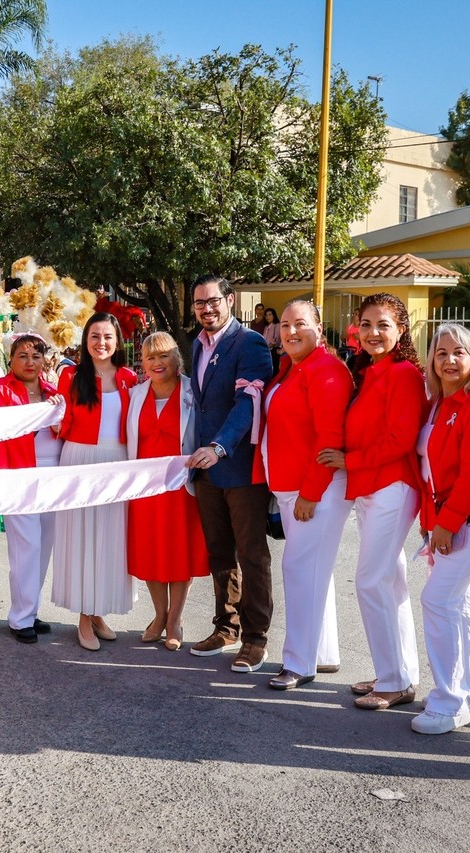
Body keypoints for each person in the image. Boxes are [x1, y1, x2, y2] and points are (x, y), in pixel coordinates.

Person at [318, 293, 425, 711]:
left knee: (369, 580)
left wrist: (350, 460)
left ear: (401, 329)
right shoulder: (372, 372)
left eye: (383, 324)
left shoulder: (402, 375)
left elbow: (401, 439)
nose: (373, 332)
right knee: (389, 581)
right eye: (366, 324)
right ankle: (397, 673)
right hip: (371, 488)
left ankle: (395, 679)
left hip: (392, 487)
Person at [411, 323, 470, 734]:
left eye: (459, 353)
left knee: (436, 601)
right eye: (441, 352)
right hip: (447, 522)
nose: (449, 360)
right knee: (461, 604)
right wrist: (431, 523)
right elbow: (432, 472)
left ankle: (448, 704)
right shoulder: (437, 403)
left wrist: (447, 524)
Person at [258, 301, 352, 689]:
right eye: (284, 324)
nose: (290, 331)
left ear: (319, 326)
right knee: (313, 572)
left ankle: (297, 662)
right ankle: (321, 652)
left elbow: (330, 438)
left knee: (299, 570)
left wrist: (311, 493)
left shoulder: (326, 370)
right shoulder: (294, 368)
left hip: (314, 489)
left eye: (300, 324)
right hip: (290, 486)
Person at [184, 276, 276, 672]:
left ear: (230, 300)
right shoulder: (196, 344)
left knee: (251, 555)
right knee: (219, 554)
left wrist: (220, 446)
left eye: (214, 300)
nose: (207, 308)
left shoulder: (250, 343)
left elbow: (247, 404)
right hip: (207, 472)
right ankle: (227, 627)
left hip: (239, 468)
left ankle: (256, 638)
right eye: (200, 302)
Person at [51, 313, 137, 650]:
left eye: (107, 337)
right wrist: (54, 418)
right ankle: (84, 617)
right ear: (86, 341)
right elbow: (60, 421)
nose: (101, 343)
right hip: (80, 460)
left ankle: (98, 610)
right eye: (94, 336)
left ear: (117, 341)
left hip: (117, 463)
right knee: (83, 537)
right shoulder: (71, 376)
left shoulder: (130, 378)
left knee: (109, 539)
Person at [126, 332, 208, 651]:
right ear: (143, 363)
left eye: (163, 356)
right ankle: (158, 615)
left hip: (180, 487)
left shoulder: (193, 392)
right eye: (150, 357)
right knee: (149, 551)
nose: (157, 362)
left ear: (177, 359)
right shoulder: (135, 396)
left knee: (178, 553)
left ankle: (175, 619)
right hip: (145, 488)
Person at [0, 334, 63, 644]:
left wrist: (58, 418)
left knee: (43, 547)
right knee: (25, 547)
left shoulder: (52, 392)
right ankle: (20, 617)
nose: (30, 361)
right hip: (18, 476)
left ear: (44, 361)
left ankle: (30, 609)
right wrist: (1, 480)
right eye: (23, 355)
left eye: (36, 356)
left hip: (52, 478)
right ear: (11, 359)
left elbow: (64, 430)